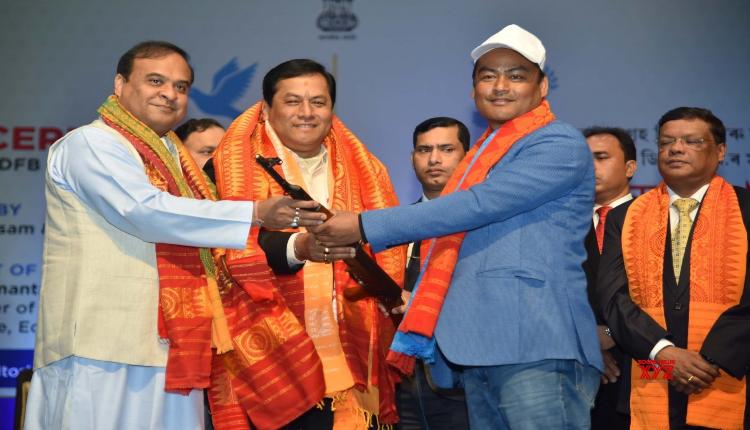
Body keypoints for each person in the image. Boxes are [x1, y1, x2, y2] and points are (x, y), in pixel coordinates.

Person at [311, 24, 602, 428]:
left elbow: (478, 206)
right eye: (488, 76)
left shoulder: (557, 144)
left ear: (542, 87)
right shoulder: (479, 157)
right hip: (475, 351)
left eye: (516, 75)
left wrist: (362, 224)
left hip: (534, 345)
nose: (500, 85)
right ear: (473, 90)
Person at [23, 41, 324, 430]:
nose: (170, 93)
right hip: (99, 344)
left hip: (172, 347)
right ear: (119, 84)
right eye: (155, 81)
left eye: (181, 87)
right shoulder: (91, 143)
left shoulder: (176, 161)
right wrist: (252, 212)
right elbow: (143, 210)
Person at [207, 59, 405, 429]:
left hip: (354, 355)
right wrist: (299, 248)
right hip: (268, 360)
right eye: (293, 101)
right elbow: (223, 245)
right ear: (267, 109)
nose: (307, 113)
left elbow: (387, 246)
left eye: (318, 102)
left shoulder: (368, 171)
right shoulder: (227, 168)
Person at [597, 107, 750, 429]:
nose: (676, 149)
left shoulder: (745, 209)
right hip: (652, 370)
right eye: (666, 142)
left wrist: (707, 362)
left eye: (691, 141)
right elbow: (614, 297)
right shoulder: (625, 218)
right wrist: (664, 353)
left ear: (720, 151)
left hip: (728, 371)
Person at [396, 117, 470, 430]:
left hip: (464, 380)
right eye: (424, 150)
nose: (434, 159)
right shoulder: (396, 225)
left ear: (467, 156)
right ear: (413, 158)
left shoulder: (484, 224)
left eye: (446, 149)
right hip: (401, 381)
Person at [582, 127, 637, 429]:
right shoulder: (561, 225)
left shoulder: (655, 220)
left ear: (630, 167)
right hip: (580, 368)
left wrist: (613, 335)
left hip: (648, 365)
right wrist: (587, 338)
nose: (590, 167)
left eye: (601, 158)